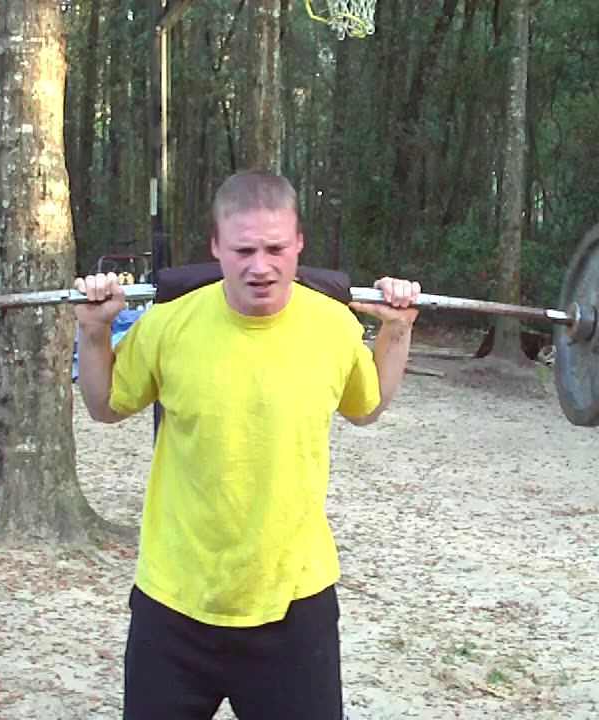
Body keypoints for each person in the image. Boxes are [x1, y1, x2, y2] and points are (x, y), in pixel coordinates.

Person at [72, 169, 422, 720]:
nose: (260, 266)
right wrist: (94, 332)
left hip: (293, 604)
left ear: (299, 244)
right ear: (216, 247)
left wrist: (397, 330)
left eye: (276, 248)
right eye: (243, 250)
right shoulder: (168, 323)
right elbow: (104, 407)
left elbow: (368, 407)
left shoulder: (333, 326)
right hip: (176, 603)